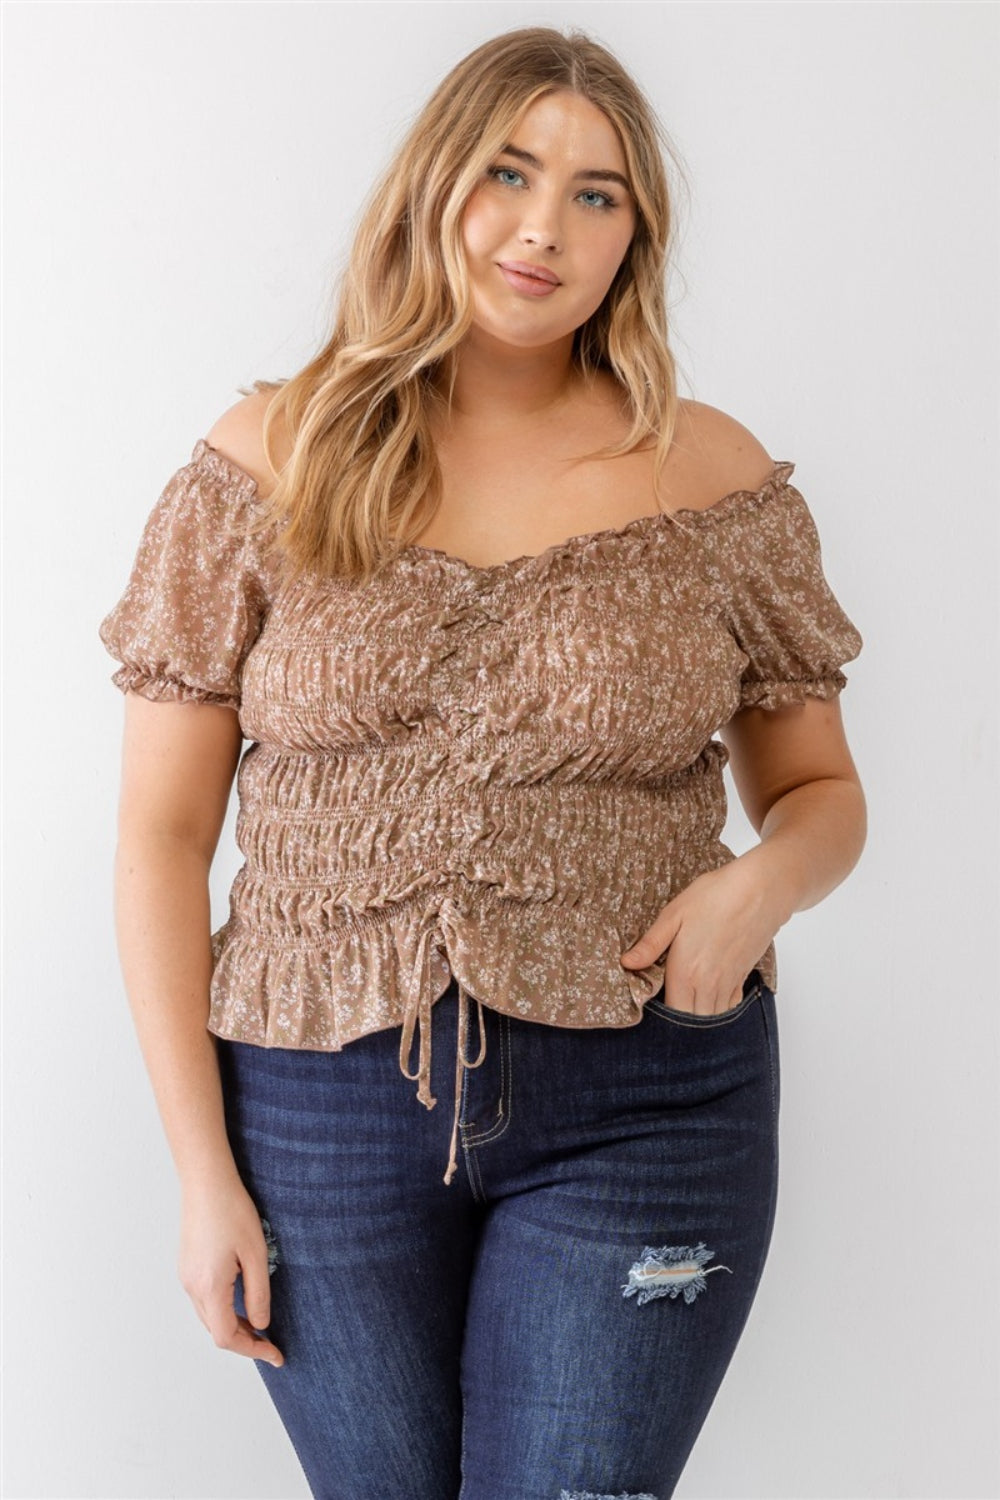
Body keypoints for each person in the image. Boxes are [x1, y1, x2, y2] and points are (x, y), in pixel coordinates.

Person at [98, 24, 866, 1500]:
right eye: (510, 172)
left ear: (637, 237)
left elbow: (824, 795)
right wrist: (201, 1173)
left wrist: (760, 887)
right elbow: (159, 840)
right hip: (314, 1111)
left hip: (651, 1098)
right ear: (435, 183)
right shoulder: (268, 462)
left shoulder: (708, 476)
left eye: (599, 194)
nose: (543, 227)